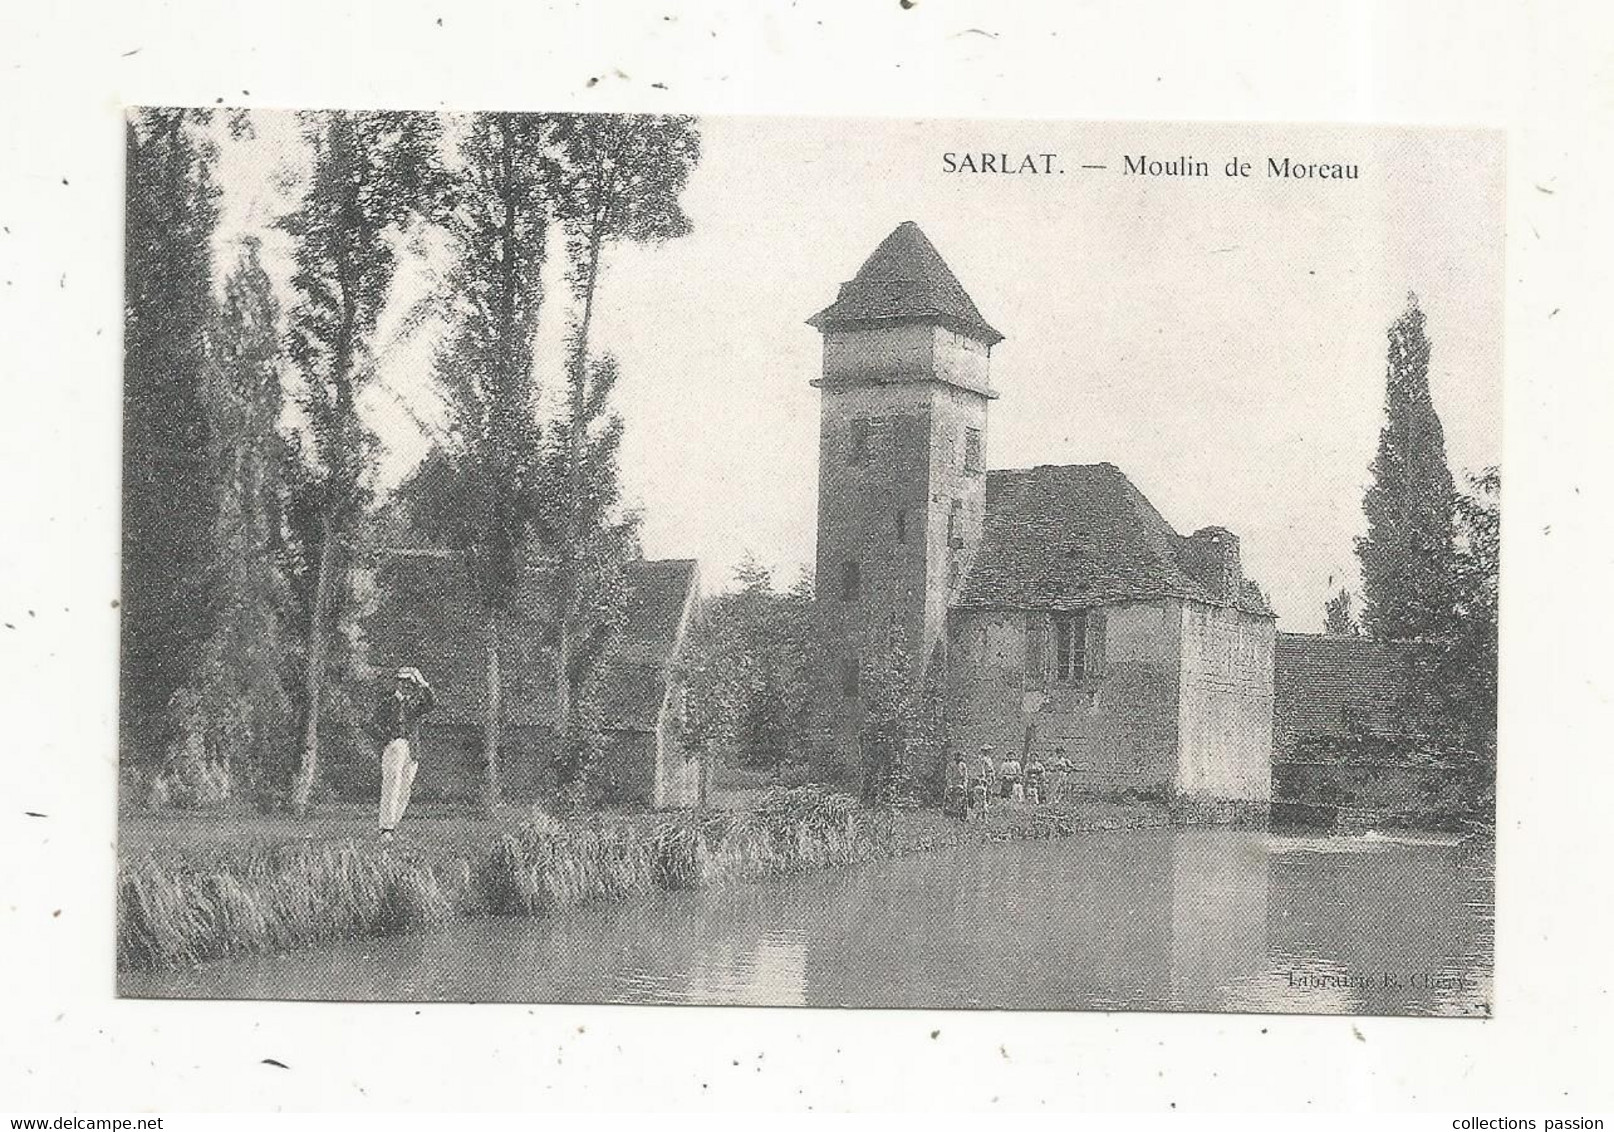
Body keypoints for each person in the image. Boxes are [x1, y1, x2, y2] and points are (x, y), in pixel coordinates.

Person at [369, 666, 435, 841]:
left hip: (412, 749)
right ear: (397, 682)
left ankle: (393, 827)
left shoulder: (414, 704)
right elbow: (372, 725)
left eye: (410, 682)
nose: (406, 685)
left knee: (405, 788)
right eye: (403, 681)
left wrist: (423, 683)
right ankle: (386, 828)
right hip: (394, 746)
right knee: (392, 784)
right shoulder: (387, 703)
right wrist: (388, 738)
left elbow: (431, 704)